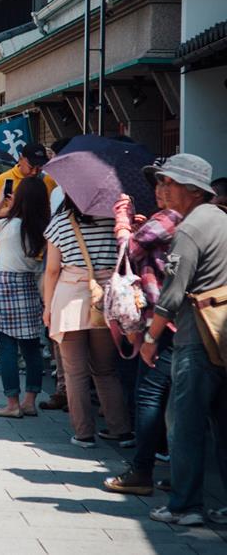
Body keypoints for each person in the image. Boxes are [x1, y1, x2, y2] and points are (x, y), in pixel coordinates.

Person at [136, 155, 227, 527]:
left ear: (192, 190)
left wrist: (149, 337)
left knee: (183, 422)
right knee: (222, 424)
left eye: (169, 183)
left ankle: (185, 505)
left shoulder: (189, 230)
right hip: (222, 331)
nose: (162, 189)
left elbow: (172, 295)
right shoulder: (221, 219)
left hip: (198, 335)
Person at [102, 187, 182, 496]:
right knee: (178, 402)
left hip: (164, 322)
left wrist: (122, 223)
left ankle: (142, 470)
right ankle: (181, 473)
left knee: (149, 395)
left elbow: (129, 251)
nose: (160, 190)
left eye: (166, 184)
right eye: (157, 184)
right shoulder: (174, 219)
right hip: (173, 321)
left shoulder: (171, 218)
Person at [43, 195, 131, 449]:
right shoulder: (113, 223)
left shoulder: (60, 222)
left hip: (70, 297)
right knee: (105, 370)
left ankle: (83, 434)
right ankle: (121, 430)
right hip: (104, 298)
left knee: (75, 372)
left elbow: (51, 270)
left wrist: (48, 307)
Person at [0, 177, 50, 418]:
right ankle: (30, 401)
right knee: (31, 348)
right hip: (31, 284)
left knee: (6, 346)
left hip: (6, 284)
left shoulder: (9, 225)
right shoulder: (44, 227)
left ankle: (12, 403)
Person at [0, 142, 57, 207]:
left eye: (39, 167)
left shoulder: (48, 180)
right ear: (20, 159)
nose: (34, 172)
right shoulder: (4, 179)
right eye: (31, 167)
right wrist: (14, 209)